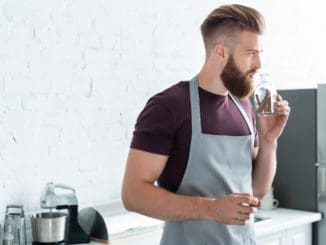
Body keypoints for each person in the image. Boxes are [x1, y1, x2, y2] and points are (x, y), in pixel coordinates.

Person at [121, 4, 290, 245]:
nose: (259, 63)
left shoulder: (244, 108)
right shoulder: (168, 107)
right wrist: (211, 209)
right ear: (220, 52)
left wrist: (269, 141)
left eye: (260, 52)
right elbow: (133, 195)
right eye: (251, 52)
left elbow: (256, 191)